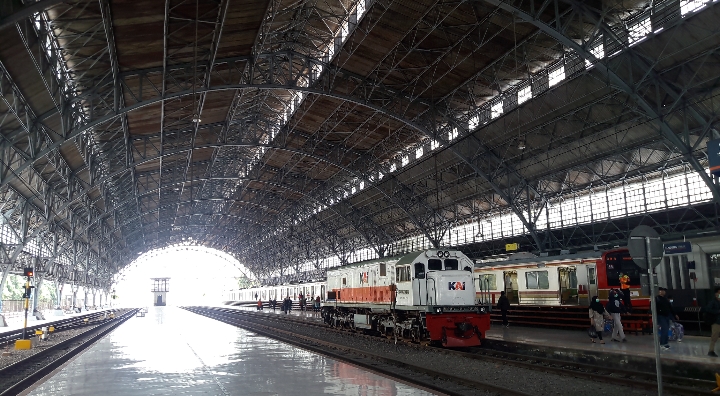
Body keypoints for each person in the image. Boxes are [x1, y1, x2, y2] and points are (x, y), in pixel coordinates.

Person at [705, 287, 720, 357]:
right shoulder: (713, 302)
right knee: (714, 337)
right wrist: (717, 312)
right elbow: (708, 309)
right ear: (716, 294)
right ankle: (711, 351)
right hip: (716, 322)